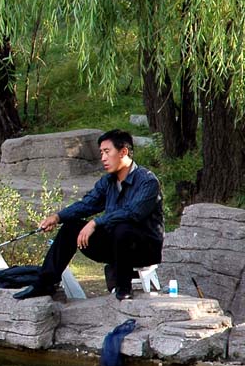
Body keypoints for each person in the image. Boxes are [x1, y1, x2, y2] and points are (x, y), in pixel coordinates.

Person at [14, 129, 163, 301]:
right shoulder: (107, 182)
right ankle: (45, 283)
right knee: (71, 228)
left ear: (123, 152)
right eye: (101, 153)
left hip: (143, 249)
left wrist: (95, 223)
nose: (103, 158)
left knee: (123, 227)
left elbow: (133, 213)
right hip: (114, 245)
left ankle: (124, 287)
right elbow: (87, 204)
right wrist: (58, 217)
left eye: (107, 152)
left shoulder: (147, 181)